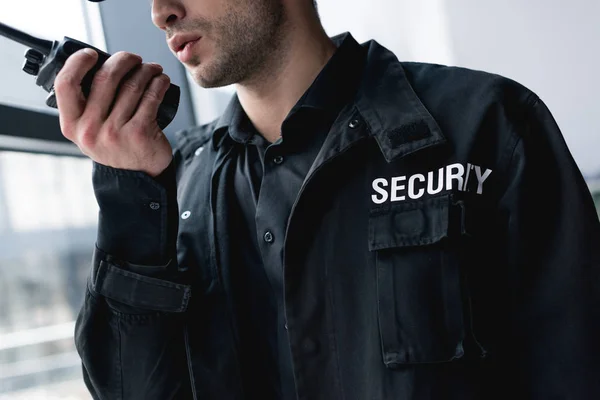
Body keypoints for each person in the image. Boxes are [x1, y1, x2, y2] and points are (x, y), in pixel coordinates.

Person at [55, 0, 600, 398]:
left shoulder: (489, 124)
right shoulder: (169, 190)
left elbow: (575, 369)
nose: (160, 12)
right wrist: (131, 197)